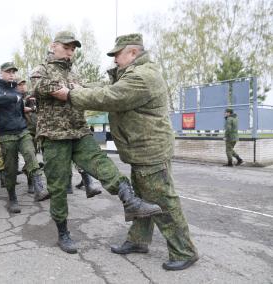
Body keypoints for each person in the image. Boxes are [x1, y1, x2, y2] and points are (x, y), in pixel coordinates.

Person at [54, 33, 199, 270]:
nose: (114, 60)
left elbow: (110, 96)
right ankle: (138, 240)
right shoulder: (134, 73)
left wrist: (71, 94)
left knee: (163, 200)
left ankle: (184, 250)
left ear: (133, 52)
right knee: (143, 199)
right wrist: (81, 87)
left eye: (117, 55)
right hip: (141, 149)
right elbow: (108, 86)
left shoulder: (142, 76)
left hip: (150, 150)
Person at [30, 31, 162, 254]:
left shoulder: (75, 72)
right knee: (59, 187)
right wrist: (74, 90)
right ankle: (63, 232)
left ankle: (129, 200)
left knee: (102, 164)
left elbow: (87, 92)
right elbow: (43, 88)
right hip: (54, 137)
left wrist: (78, 89)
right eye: (66, 47)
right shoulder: (40, 70)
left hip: (79, 132)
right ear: (53, 46)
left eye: (73, 49)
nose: (70, 52)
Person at [0, 62, 50, 213]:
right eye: (8, 71)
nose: (12, 74)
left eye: (13, 71)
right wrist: (11, 98)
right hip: (6, 135)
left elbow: (20, 111)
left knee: (31, 155)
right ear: (1, 73)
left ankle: (39, 188)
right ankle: (12, 198)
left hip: (22, 131)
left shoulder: (16, 90)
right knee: (11, 169)